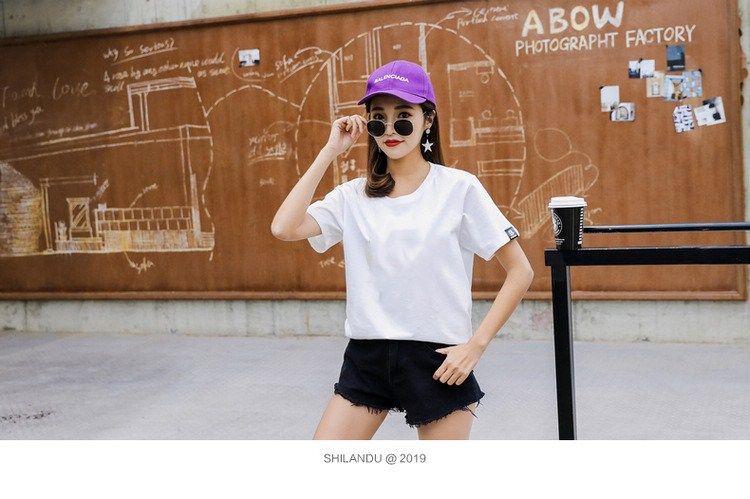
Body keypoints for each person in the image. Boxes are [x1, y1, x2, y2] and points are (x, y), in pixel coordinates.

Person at [271, 59, 534, 439]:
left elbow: (520, 271)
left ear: (428, 120)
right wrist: (330, 151)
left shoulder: (458, 188)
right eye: (378, 119)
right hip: (367, 357)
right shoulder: (352, 196)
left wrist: (475, 346)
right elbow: (284, 228)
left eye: (404, 117)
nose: (391, 129)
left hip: (438, 359)